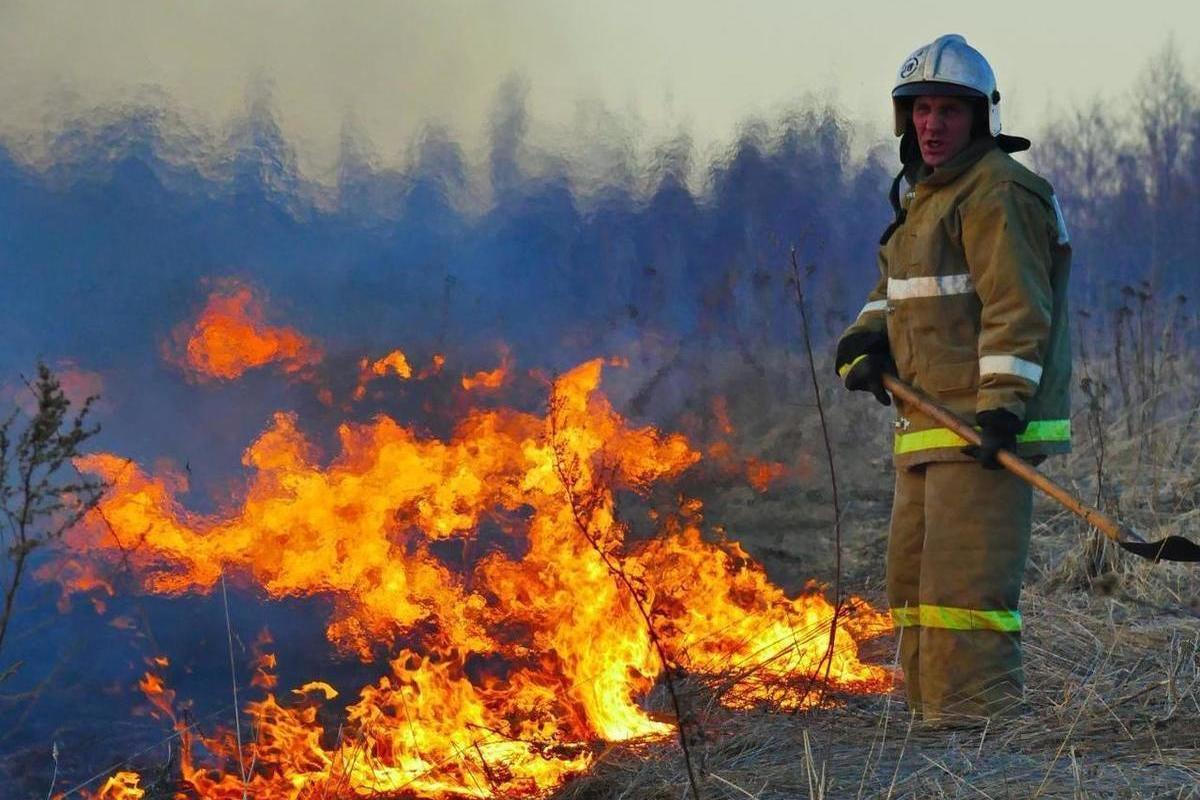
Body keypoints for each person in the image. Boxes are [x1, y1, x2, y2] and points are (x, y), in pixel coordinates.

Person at [834, 34, 1072, 725]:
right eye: (921, 110)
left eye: (948, 111)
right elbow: (897, 293)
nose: (931, 125)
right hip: (927, 426)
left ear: (981, 118)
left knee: (965, 593)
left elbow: (1016, 309)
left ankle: (977, 730)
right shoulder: (926, 199)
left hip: (982, 429)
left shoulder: (999, 192)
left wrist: (1002, 409)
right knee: (914, 588)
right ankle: (932, 718)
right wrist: (863, 339)